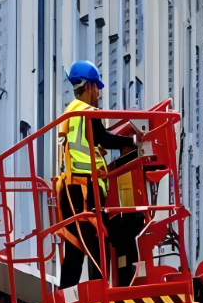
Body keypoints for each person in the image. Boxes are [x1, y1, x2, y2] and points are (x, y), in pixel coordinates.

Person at [57, 61, 141, 288]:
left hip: (72, 189)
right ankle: (107, 289)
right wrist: (132, 142)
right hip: (83, 188)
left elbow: (94, 142)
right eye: (98, 88)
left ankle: (66, 296)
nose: (99, 94)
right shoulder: (87, 111)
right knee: (100, 240)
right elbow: (103, 137)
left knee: (76, 248)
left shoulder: (71, 112)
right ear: (90, 87)